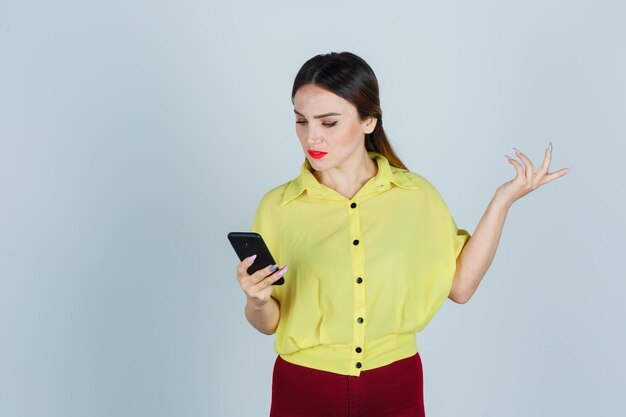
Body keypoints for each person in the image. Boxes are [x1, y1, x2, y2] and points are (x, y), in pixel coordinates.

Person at [234, 51, 571, 417]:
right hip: (303, 386)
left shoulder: (415, 195)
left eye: (328, 122)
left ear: (369, 121)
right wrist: (258, 301)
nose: (311, 136)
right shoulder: (277, 207)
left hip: (395, 384)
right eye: (301, 121)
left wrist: (502, 201)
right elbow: (269, 324)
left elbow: (461, 287)